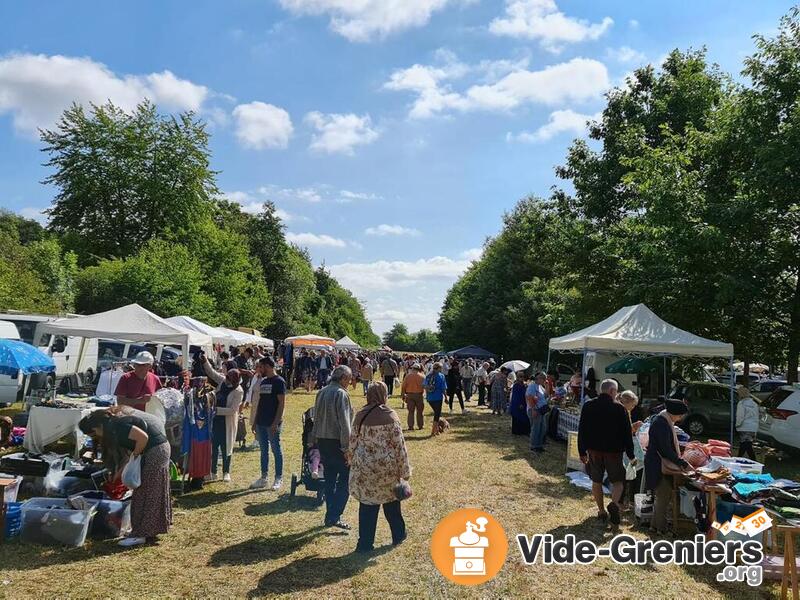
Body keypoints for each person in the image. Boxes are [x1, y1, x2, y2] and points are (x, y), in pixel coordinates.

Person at [79, 407, 171, 547]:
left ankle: (142, 534)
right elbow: (129, 454)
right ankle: (146, 531)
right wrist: (118, 473)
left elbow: (142, 438)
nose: (96, 437)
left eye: (93, 433)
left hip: (155, 452)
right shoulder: (114, 428)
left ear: (97, 426)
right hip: (154, 450)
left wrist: (135, 457)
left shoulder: (118, 426)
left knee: (147, 492)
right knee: (146, 491)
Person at [349, 381, 411, 553]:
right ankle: (398, 535)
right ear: (384, 395)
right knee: (392, 504)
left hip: (365, 468)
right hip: (387, 468)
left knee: (368, 505)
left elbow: (352, 442)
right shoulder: (391, 416)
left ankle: (365, 544)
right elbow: (400, 445)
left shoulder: (360, 414)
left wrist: (350, 460)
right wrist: (405, 470)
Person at [577, 379, 635, 525]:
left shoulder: (588, 405)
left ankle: (601, 511)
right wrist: (631, 454)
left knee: (596, 481)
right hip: (614, 452)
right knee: (618, 481)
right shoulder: (619, 408)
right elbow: (627, 434)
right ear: (611, 391)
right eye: (615, 391)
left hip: (594, 451)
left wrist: (581, 451)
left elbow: (582, 429)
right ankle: (614, 504)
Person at [311, 365, 354, 530]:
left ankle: (330, 515)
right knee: (345, 480)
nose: (349, 383)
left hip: (323, 441)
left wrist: (314, 438)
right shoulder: (341, 393)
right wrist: (347, 448)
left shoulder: (321, 391)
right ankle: (334, 515)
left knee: (329, 481)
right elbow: (345, 423)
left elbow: (316, 417)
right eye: (349, 380)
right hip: (337, 443)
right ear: (343, 378)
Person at [645, 399, 693, 535]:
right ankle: (661, 529)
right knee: (663, 497)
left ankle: (654, 527)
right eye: (680, 415)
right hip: (658, 464)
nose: (681, 418)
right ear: (674, 413)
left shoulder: (662, 420)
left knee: (661, 497)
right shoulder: (661, 423)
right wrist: (682, 463)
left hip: (656, 462)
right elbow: (665, 449)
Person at [202, 358, 243, 482]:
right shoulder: (223, 381)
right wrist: (205, 361)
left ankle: (226, 472)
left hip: (227, 423)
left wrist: (215, 409)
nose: (226, 380)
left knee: (226, 448)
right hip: (216, 421)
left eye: (229, 380)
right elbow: (212, 373)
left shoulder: (239, 391)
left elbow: (232, 410)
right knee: (214, 447)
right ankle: (213, 472)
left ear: (234, 381)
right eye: (226, 378)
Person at [249, 357, 286, 491]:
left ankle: (278, 478)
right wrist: (255, 421)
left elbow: (281, 404)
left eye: (261, 366)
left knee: (276, 450)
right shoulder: (263, 381)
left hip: (272, 423)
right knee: (263, 451)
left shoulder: (279, 382)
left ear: (267, 366)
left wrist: (275, 423)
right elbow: (260, 402)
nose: (259, 369)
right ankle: (263, 478)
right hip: (261, 422)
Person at [618, 390, 645, 508]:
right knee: (627, 474)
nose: (633, 408)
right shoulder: (621, 412)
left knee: (631, 473)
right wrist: (634, 427)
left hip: (625, 448)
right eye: (633, 405)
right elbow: (623, 431)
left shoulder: (625, 411)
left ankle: (627, 500)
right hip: (623, 449)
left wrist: (633, 426)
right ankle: (622, 501)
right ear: (626, 402)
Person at [526, 372, 549, 452]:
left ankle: (539, 445)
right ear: (538, 378)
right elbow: (529, 397)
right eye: (543, 378)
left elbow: (546, 396)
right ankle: (534, 446)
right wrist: (533, 410)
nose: (544, 380)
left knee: (542, 428)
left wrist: (547, 386)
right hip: (535, 410)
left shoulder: (540, 387)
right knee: (536, 428)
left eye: (545, 378)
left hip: (541, 410)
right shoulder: (532, 386)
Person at [736, 385, 759, 460]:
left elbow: (740, 416)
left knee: (745, 444)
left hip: (744, 426)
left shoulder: (741, 404)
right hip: (753, 427)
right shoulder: (754, 404)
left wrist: (737, 425)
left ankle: (740, 458)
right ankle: (740, 458)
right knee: (747, 444)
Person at [424, 362, 448, 436]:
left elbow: (424, 385)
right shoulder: (441, 376)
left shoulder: (428, 375)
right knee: (437, 414)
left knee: (437, 413)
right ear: (439, 368)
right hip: (438, 397)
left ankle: (437, 430)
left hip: (430, 397)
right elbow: (443, 388)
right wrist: (446, 397)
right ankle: (433, 431)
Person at [401, 363, 426, 431]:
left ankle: (410, 426)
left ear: (412, 368)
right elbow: (425, 387)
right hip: (419, 395)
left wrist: (403, 395)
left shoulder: (408, 376)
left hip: (410, 395)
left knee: (411, 412)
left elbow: (403, 387)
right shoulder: (422, 376)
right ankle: (420, 425)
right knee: (420, 412)